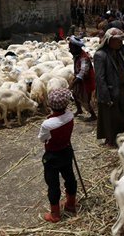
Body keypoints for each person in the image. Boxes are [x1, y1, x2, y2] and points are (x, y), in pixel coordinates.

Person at [38, 88, 77, 223]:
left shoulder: (47, 124)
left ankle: (55, 214)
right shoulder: (70, 116)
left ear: (50, 104)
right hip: (66, 151)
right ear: (66, 104)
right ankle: (71, 204)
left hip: (52, 157)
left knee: (53, 184)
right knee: (70, 177)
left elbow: (42, 139)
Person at [94, 28, 124, 147]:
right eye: (118, 41)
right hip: (109, 91)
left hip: (121, 89)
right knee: (110, 117)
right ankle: (111, 139)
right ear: (109, 40)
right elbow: (100, 78)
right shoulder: (100, 55)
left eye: (121, 40)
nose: (120, 43)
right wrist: (106, 97)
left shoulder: (117, 52)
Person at [68, 36, 97, 121]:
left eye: (71, 48)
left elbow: (82, 73)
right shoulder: (77, 55)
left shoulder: (84, 58)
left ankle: (93, 115)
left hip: (86, 81)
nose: (70, 50)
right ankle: (79, 110)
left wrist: (71, 85)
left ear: (76, 48)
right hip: (80, 79)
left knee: (86, 99)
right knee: (75, 94)